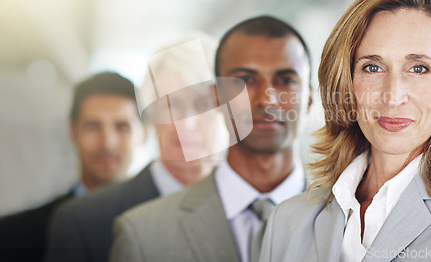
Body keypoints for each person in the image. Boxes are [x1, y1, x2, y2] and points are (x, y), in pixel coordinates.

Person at [258, 0, 431, 262]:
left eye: (418, 68)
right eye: (372, 67)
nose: (392, 96)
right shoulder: (286, 223)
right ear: (346, 82)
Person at [109, 16, 313, 262]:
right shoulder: (142, 233)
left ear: (310, 99)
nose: (266, 100)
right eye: (246, 80)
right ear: (219, 97)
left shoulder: (354, 219)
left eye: (286, 80)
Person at [44, 36, 225, 262]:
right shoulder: (84, 222)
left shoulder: (259, 210)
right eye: (172, 104)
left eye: (204, 104)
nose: (185, 124)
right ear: (149, 115)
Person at [0, 72, 145, 262]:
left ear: (144, 135)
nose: (107, 142)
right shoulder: (13, 237)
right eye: (93, 126)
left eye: (122, 127)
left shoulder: (164, 227)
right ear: (73, 132)